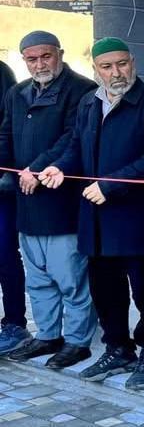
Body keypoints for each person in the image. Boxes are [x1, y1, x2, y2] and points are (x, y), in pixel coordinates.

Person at [39, 38, 144, 391]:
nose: (116, 73)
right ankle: (118, 348)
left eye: (122, 64)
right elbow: (75, 146)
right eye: (107, 67)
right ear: (96, 69)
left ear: (133, 63)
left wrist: (110, 186)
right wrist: (59, 167)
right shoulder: (89, 102)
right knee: (106, 291)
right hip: (96, 219)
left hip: (138, 218)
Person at [0, 32, 96, 367]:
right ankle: (47, 334)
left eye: (46, 56)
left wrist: (37, 169)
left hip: (61, 201)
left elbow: (73, 138)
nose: (40, 64)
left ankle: (78, 341)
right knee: (38, 279)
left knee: (69, 277)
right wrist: (8, 167)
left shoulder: (81, 89)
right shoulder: (17, 93)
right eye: (32, 59)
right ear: (24, 60)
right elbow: (5, 135)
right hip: (26, 201)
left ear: (60, 54)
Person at [0, 59, 28, 357]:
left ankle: (15, 324)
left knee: (5, 253)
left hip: (2, 186)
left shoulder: (0, 72)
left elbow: (8, 129)